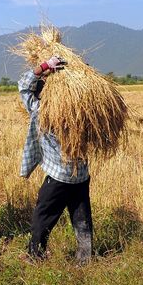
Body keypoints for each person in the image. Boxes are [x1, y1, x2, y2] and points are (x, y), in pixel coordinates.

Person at [18, 56, 93, 263]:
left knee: (43, 216)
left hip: (58, 177)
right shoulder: (85, 112)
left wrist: (43, 68)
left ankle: (35, 256)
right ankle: (84, 259)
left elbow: (24, 87)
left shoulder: (44, 111)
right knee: (81, 218)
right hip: (81, 174)